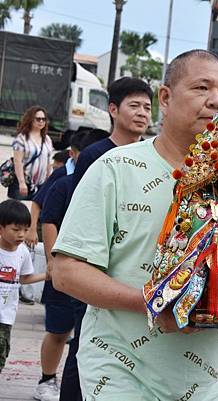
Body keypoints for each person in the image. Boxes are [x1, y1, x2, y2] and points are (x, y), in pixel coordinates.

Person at [52, 50, 218, 400]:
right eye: (201, 87)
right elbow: (66, 271)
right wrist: (153, 304)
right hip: (120, 372)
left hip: (207, 381)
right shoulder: (116, 168)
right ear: (165, 97)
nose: (215, 100)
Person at [56, 77, 153, 401]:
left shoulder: (155, 158)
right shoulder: (97, 155)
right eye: (134, 106)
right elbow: (82, 216)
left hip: (133, 278)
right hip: (95, 268)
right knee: (85, 345)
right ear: (113, 109)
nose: (142, 114)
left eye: (147, 107)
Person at [32, 132, 87, 401]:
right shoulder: (64, 184)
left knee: (84, 336)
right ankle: (47, 379)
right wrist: (53, 262)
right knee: (58, 329)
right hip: (65, 270)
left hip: (92, 274)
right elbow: (48, 219)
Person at [0, 200, 49, 373]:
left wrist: (46, 275)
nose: (21, 235)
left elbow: (23, 278)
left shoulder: (22, 252)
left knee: (2, 354)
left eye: (25, 230)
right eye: (16, 229)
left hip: (6, 316)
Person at [10, 106, 54, 200]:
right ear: (31, 120)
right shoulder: (22, 139)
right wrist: (22, 182)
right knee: (18, 211)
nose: (41, 121)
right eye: (38, 119)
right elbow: (18, 162)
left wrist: (48, 179)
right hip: (23, 183)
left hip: (41, 184)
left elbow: (48, 161)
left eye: (44, 119)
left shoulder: (47, 139)